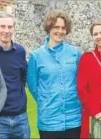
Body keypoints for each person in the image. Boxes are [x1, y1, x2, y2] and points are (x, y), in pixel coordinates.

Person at [27, 9, 82, 139]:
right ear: (49, 28)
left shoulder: (75, 53)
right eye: (56, 27)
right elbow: (33, 86)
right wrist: (46, 101)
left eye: (63, 28)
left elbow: (81, 81)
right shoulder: (36, 56)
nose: (60, 31)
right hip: (49, 119)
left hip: (73, 118)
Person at [0, 12, 30, 139]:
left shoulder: (20, 51)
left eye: (10, 27)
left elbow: (22, 77)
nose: (6, 30)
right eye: (2, 26)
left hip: (21, 117)